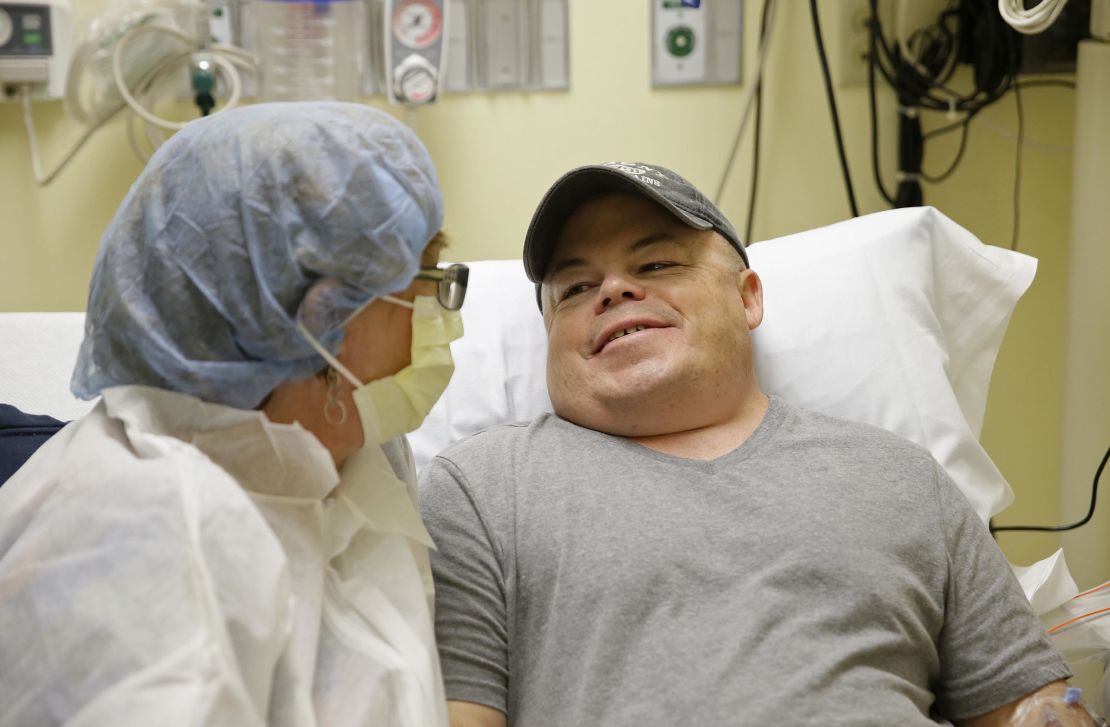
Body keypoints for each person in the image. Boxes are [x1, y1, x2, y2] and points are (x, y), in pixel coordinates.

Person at [418, 162, 1091, 726]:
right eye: (576, 288)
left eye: (655, 262)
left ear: (748, 297)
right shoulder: (483, 490)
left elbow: (1026, 706)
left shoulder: (900, 478)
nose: (615, 289)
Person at [0, 103, 468, 726]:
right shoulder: (150, 528)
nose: (442, 312)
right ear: (324, 318)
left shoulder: (356, 458)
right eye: (427, 278)